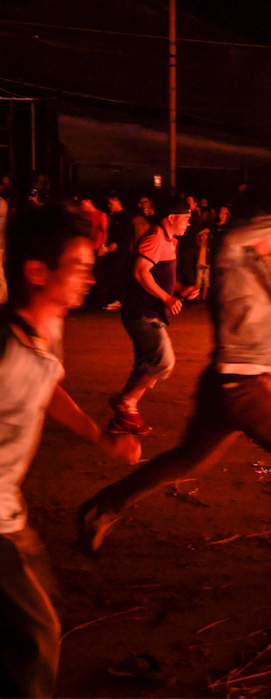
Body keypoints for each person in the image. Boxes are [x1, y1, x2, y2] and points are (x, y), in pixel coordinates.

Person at [78, 205, 271, 561]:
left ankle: (102, 507)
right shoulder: (234, 255)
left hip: (231, 381)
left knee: (187, 460)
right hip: (242, 382)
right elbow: (250, 231)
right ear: (256, 225)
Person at [1, 206, 140, 698]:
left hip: (10, 515)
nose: (91, 277)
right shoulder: (5, 354)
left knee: (39, 614)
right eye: (79, 267)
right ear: (36, 272)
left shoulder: (47, 327)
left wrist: (100, 437)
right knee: (37, 638)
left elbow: (47, 386)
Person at [109, 197, 199, 435]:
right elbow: (140, 271)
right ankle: (126, 403)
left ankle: (124, 417)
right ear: (171, 218)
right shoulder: (155, 238)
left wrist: (178, 289)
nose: (189, 223)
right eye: (186, 218)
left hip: (147, 311)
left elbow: (159, 272)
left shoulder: (168, 241)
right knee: (163, 362)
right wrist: (166, 298)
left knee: (148, 365)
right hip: (141, 312)